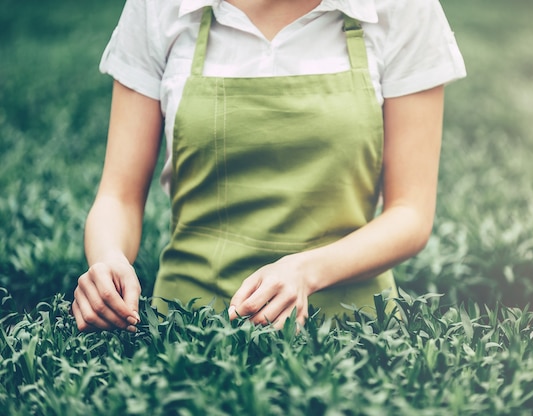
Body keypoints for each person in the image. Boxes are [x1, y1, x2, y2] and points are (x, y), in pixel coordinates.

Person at [71, 0, 466, 332]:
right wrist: (108, 259)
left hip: (355, 333)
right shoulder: (160, 8)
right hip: (185, 330)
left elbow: (411, 213)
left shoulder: (403, 9)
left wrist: (306, 271)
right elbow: (118, 197)